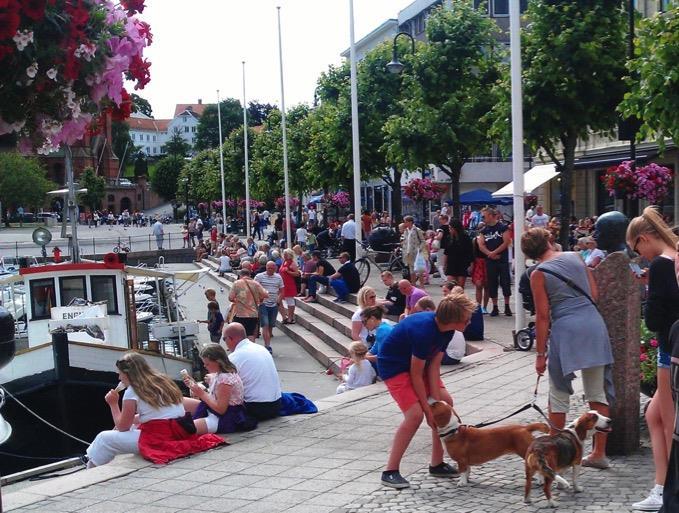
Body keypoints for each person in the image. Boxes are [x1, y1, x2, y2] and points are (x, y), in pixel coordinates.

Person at [521, 228, 613, 467]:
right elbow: (594, 293)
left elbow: (543, 316)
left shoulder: (537, 273)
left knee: (559, 394)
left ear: (528, 254)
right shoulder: (575, 256)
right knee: (597, 392)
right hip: (593, 324)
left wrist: (540, 354)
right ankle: (599, 453)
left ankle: (554, 455)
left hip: (566, 330)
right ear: (549, 241)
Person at [378, 294, 476, 489]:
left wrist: (437, 405)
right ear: (455, 320)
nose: (470, 321)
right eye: (467, 319)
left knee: (445, 404)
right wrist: (427, 408)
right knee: (415, 415)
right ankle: (390, 471)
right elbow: (415, 375)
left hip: (421, 366)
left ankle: (437, 463)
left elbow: (433, 367)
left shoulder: (448, 330)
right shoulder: (424, 331)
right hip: (395, 367)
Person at [626, 207, 679, 511]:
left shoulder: (660, 264)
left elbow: (655, 316)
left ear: (644, 239)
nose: (639, 255)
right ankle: (661, 486)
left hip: (669, 348)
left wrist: (647, 289)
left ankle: (670, 490)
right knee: (655, 416)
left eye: (637, 249)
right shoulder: (674, 256)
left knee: (669, 422)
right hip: (673, 345)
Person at [86, 353, 223, 467]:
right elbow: (157, 413)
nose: (119, 377)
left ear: (128, 374)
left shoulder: (132, 390)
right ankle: (90, 457)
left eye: (120, 374)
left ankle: (90, 466)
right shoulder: (163, 380)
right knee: (132, 425)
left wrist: (113, 404)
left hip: (158, 437)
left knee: (103, 438)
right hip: (179, 430)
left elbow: (122, 427)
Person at [182, 344, 255, 434]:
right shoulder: (219, 374)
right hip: (213, 409)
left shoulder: (225, 379)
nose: (205, 366)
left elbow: (221, 409)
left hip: (225, 416)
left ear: (218, 362)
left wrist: (201, 393)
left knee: (186, 430)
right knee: (180, 401)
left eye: (207, 364)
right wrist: (194, 385)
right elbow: (214, 395)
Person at [223, 322, 282, 420]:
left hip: (256, 407)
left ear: (231, 338)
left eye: (224, 339)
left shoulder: (234, 357)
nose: (225, 342)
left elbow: (225, 386)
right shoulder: (261, 348)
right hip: (276, 404)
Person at [477, 208, 512, 317]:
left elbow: (506, 242)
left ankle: (507, 305)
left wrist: (495, 252)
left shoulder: (503, 227)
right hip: (490, 261)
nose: (483, 218)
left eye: (485, 216)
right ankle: (495, 307)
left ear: (492, 215)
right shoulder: (484, 230)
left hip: (502, 259)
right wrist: (490, 254)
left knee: (505, 282)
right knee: (492, 283)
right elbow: (481, 244)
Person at [228, 269, 268, 341]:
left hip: (240, 313)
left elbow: (230, 298)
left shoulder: (237, 283)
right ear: (249, 275)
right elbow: (265, 294)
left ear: (240, 275)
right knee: (250, 333)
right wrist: (259, 298)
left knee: (239, 333)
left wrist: (237, 300)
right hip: (253, 314)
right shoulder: (256, 283)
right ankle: (251, 349)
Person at [254, 261, 285, 353]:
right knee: (265, 324)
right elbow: (254, 288)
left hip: (274, 304)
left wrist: (278, 300)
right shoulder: (259, 277)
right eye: (268, 268)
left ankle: (268, 341)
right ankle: (267, 346)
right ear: (266, 267)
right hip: (263, 304)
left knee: (271, 324)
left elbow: (282, 290)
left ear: (275, 268)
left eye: (272, 268)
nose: (270, 270)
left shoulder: (278, 277)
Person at [444, 219, 474, 288]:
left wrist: (471, 265)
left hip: (462, 264)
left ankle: (460, 299)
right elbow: (446, 253)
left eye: (451, 228)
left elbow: (470, 253)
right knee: (450, 287)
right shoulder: (449, 238)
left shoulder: (466, 238)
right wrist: (444, 265)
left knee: (460, 287)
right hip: (451, 264)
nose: (449, 230)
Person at [402, 216, 428, 288]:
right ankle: (413, 284)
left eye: (405, 221)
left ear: (410, 222)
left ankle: (422, 285)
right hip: (408, 253)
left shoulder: (417, 230)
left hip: (417, 253)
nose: (404, 223)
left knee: (419, 270)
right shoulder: (406, 231)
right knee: (411, 270)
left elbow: (423, 241)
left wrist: (420, 248)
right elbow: (405, 241)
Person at [279, 249, 300, 324]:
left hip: (289, 284)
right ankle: (285, 316)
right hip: (282, 284)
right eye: (284, 254)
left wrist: (288, 271)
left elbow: (297, 274)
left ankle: (290, 318)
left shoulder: (292, 263)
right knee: (280, 300)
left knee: (290, 300)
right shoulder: (283, 262)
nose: (284, 255)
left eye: (286, 254)